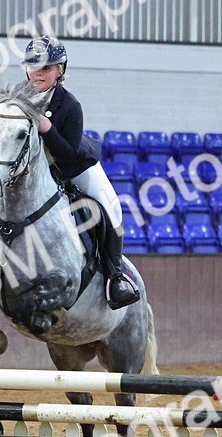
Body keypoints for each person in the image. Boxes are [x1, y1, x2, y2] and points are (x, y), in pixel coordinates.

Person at [22, 35, 139, 309]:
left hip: (74, 166)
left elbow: (68, 153)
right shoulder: (17, 99)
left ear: (60, 70)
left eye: (46, 68)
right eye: (33, 66)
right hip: (36, 174)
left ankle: (115, 277)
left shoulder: (70, 105)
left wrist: (47, 129)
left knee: (111, 208)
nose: (38, 73)